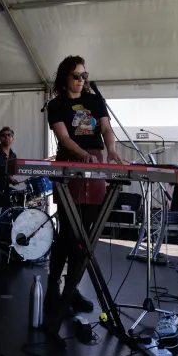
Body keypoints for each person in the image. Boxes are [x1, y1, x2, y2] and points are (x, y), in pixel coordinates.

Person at [45, 56, 125, 319]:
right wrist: (83, 155)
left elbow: (106, 129)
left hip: (95, 163)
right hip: (71, 162)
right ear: (65, 78)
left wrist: (111, 150)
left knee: (87, 236)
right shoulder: (56, 105)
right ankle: (53, 286)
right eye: (76, 76)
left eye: (84, 75)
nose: (81, 80)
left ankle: (72, 289)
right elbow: (63, 137)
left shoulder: (95, 100)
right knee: (68, 232)